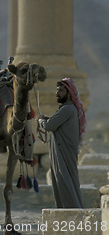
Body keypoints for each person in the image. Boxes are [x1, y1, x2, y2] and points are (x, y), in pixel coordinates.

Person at [37, 78, 85, 208]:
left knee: (65, 183)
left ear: (69, 93)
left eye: (61, 90)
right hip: (62, 153)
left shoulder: (67, 109)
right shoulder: (67, 109)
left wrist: (41, 121)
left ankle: (72, 213)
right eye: (57, 90)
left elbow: (48, 126)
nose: (57, 93)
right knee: (67, 183)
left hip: (63, 154)